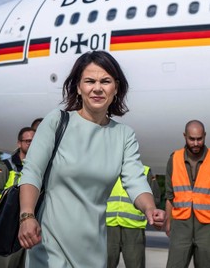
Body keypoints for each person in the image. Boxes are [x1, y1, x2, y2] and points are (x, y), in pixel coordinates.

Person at [17, 50, 165, 267]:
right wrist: (26, 216)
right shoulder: (57, 121)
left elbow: (135, 180)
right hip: (48, 244)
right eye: (90, 81)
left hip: (93, 247)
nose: (97, 88)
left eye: (105, 81)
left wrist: (150, 209)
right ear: (78, 87)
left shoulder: (124, 135)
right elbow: (32, 172)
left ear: (116, 87)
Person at [165, 120, 210, 268]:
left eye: (200, 139)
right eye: (192, 139)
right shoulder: (174, 159)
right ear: (185, 136)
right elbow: (170, 196)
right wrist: (168, 222)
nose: (196, 143)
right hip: (180, 225)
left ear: (205, 135)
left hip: (208, 227)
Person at [0, 126, 35, 268]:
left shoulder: (40, 167)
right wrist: (4, 214)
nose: (31, 144)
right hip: (10, 227)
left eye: (34, 141)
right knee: (7, 263)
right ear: (19, 143)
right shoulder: (7, 166)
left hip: (31, 225)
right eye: (28, 141)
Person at [106, 165, 161, 268]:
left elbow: (155, 198)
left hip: (134, 228)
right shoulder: (105, 168)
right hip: (109, 226)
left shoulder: (144, 171)